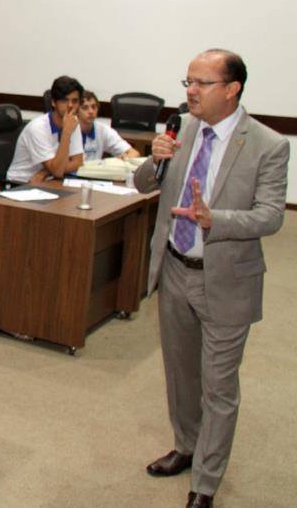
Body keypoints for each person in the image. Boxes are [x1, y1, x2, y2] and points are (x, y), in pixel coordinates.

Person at [134, 50, 289, 508]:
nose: (190, 92)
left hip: (226, 279)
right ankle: (186, 446)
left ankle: (205, 481)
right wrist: (152, 159)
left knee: (218, 386)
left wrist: (213, 218)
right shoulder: (182, 127)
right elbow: (146, 184)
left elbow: (271, 216)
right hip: (176, 268)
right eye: (187, 82)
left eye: (201, 83)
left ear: (232, 88)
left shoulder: (268, 144)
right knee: (181, 375)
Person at [5, 75, 85, 184]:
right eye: (64, 101)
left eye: (74, 101)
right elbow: (57, 171)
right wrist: (66, 131)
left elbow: (78, 162)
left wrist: (44, 172)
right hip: (20, 184)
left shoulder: (72, 121)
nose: (70, 106)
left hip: (48, 180)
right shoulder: (37, 128)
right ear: (53, 102)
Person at [78, 91, 140, 162]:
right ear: (76, 111)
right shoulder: (69, 130)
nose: (91, 111)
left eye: (94, 107)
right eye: (85, 108)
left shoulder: (103, 129)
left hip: (94, 172)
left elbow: (134, 153)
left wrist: (125, 159)